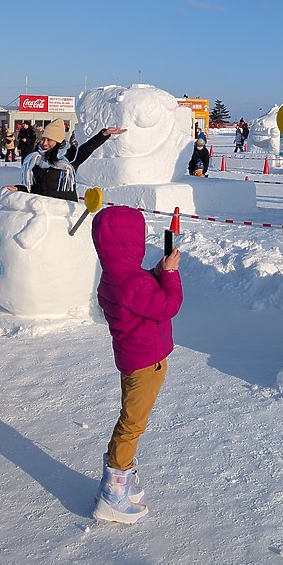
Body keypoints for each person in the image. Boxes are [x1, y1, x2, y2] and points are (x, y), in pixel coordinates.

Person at [91, 205, 183, 525]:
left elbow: (140, 292)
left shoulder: (116, 278)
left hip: (134, 360)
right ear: (131, 244)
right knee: (132, 424)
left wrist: (156, 272)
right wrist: (169, 275)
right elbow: (167, 305)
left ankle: (122, 476)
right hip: (146, 365)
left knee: (131, 420)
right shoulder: (133, 283)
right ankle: (113, 492)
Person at [5, 118, 126, 200]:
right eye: (43, 139)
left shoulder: (71, 157)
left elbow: (88, 148)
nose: (44, 143)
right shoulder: (36, 159)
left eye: (49, 140)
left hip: (65, 214)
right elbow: (36, 188)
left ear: (58, 141)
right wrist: (19, 188)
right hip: (43, 211)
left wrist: (103, 134)